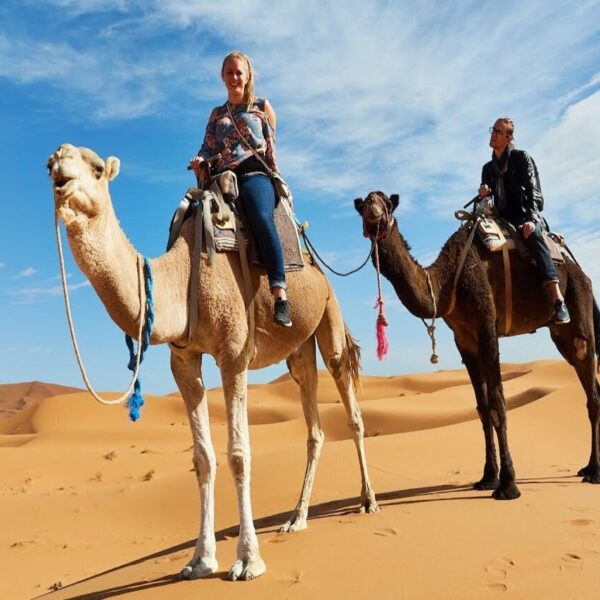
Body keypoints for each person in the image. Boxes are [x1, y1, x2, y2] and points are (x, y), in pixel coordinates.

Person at [189, 51, 292, 327]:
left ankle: (280, 293)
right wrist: (199, 161)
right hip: (222, 176)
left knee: (259, 215)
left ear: (247, 77)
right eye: (229, 73)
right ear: (222, 76)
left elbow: (270, 147)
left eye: (239, 73)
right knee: (190, 216)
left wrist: (276, 178)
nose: (234, 77)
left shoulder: (262, 106)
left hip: (254, 173)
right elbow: (207, 147)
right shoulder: (217, 114)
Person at [478, 117, 570, 324]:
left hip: (525, 215)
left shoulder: (522, 159)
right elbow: (490, 203)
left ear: (509, 137)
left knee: (534, 236)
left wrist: (531, 219)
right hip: (500, 219)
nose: (493, 134)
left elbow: (534, 192)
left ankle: (558, 300)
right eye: (493, 129)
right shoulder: (487, 168)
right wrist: (484, 195)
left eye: (498, 131)